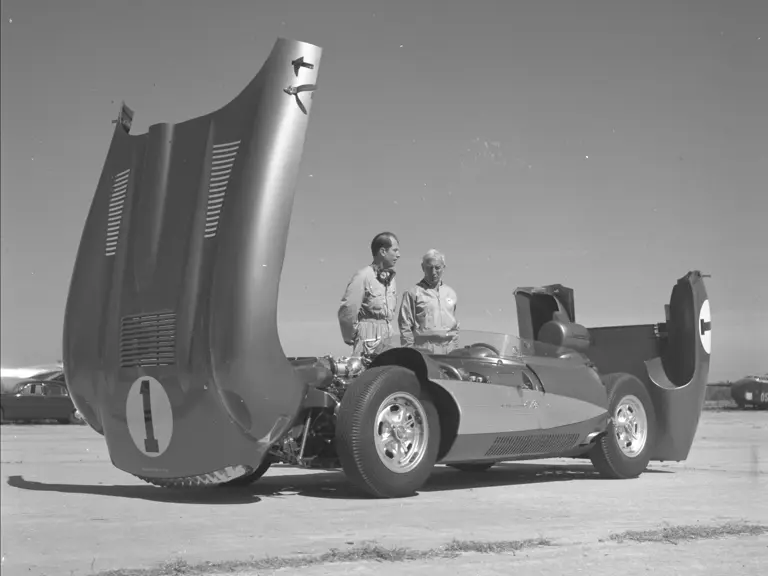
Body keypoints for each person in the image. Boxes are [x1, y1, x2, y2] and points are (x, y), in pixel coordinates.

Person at [337, 232, 401, 357]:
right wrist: (355, 335)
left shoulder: (391, 280)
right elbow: (348, 309)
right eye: (395, 250)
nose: (398, 255)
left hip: (388, 339)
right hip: (367, 341)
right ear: (383, 251)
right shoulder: (363, 276)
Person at [398, 249, 460, 354]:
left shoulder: (451, 293)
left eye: (437, 268)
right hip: (424, 350)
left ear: (444, 267)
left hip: (449, 351)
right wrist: (409, 353)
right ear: (423, 267)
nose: (433, 272)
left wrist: (455, 349)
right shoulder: (413, 293)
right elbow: (405, 326)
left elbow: (455, 328)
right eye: (429, 268)